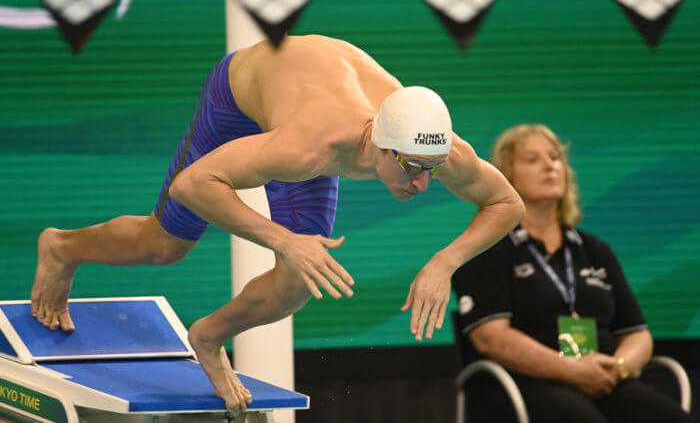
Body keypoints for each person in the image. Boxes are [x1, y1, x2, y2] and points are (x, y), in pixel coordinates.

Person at [31, 35, 525, 414]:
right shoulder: (310, 147)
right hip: (239, 99)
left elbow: (507, 202)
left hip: (309, 98)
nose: (422, 183)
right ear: (378, 145)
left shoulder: (439, 149)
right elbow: (192, 185)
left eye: (432, 170)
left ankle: (207, 336)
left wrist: (445, 262)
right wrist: (282, 238)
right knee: (165, 245)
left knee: (298, 282)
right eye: (413, 167)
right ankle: (62, 247)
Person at [451, 123, 693, 423]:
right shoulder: (488, 247)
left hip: (604, 380)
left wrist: (616, 367)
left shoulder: (594, 250)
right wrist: (572, 370)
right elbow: (492, 338)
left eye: (554, 157)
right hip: (523, 384)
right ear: (504, 176)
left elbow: (637, 334)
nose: (550, 166)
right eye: (532, 159)